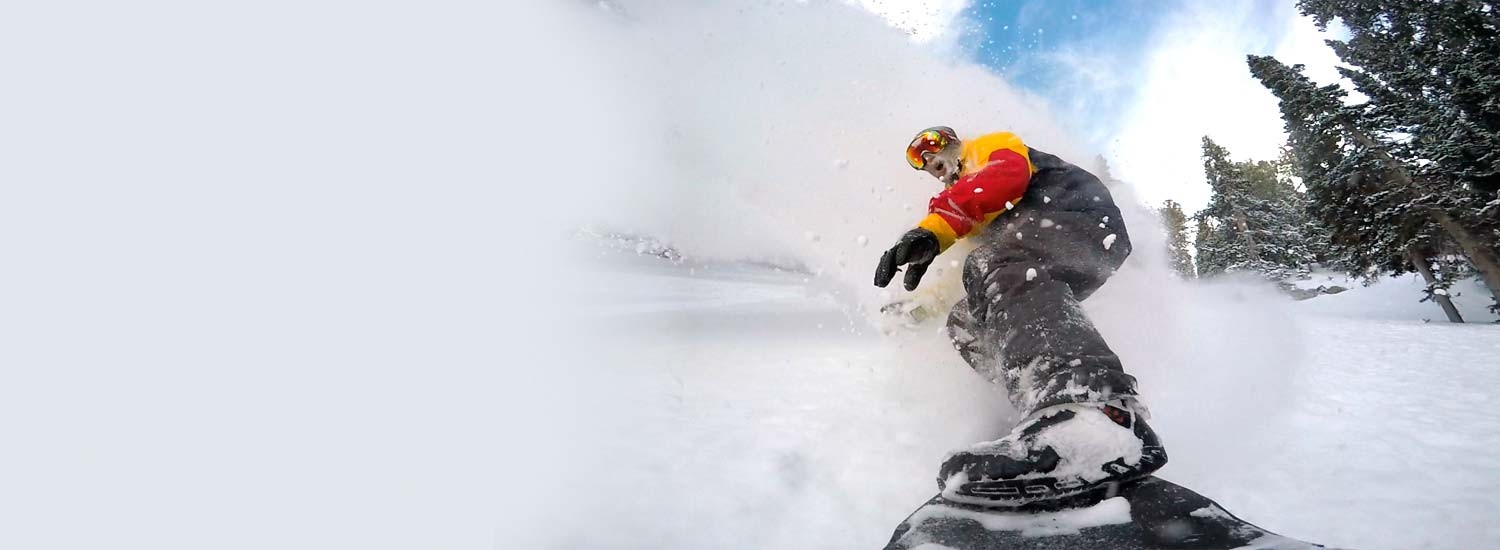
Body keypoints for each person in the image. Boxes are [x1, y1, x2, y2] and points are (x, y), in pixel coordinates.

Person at [874, 127, 1167, 507]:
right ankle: (1039, 413)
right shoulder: (980, 215)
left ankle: (1092, 412)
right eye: (921, 161)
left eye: (931, 146)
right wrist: (920, 309)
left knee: (998, 261)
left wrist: (933, 229)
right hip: (1047, 243)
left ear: (953, 140)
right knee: (966, 319)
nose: (930, 160)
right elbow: (982, 281)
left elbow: (1006, 177)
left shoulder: (988, 150)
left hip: (1075, 217)